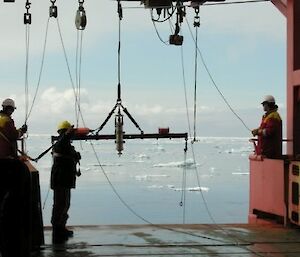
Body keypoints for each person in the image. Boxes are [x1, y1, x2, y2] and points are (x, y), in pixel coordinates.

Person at [0, 98, 31, 257]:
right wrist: (22, 131)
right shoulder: (6, 121)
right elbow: (13, 135)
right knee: (11, 195)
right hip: (7, 162)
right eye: (11, 109)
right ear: (9, 109)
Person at [51, 120, 81, 243]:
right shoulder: (61, 143)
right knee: (60, 205)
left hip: (65, 180)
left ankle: (61, 228)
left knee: (65, 205)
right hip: (60, 180)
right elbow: (63, 141)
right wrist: (68, 133)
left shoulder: (65, 145)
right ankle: (58, 230)